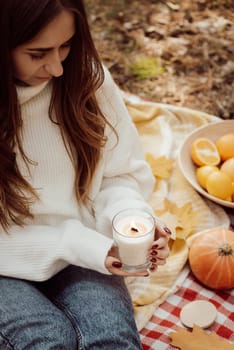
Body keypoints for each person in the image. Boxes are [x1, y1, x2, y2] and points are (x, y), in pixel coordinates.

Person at [0, 0, 170, 349]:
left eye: (66, 45)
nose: (57, 67)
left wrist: (132, 220)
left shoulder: (84, 75)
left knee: (112, 340)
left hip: (85, 246)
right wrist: (75, 244)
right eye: (37, 53)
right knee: (46, 340)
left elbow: (118, 174)